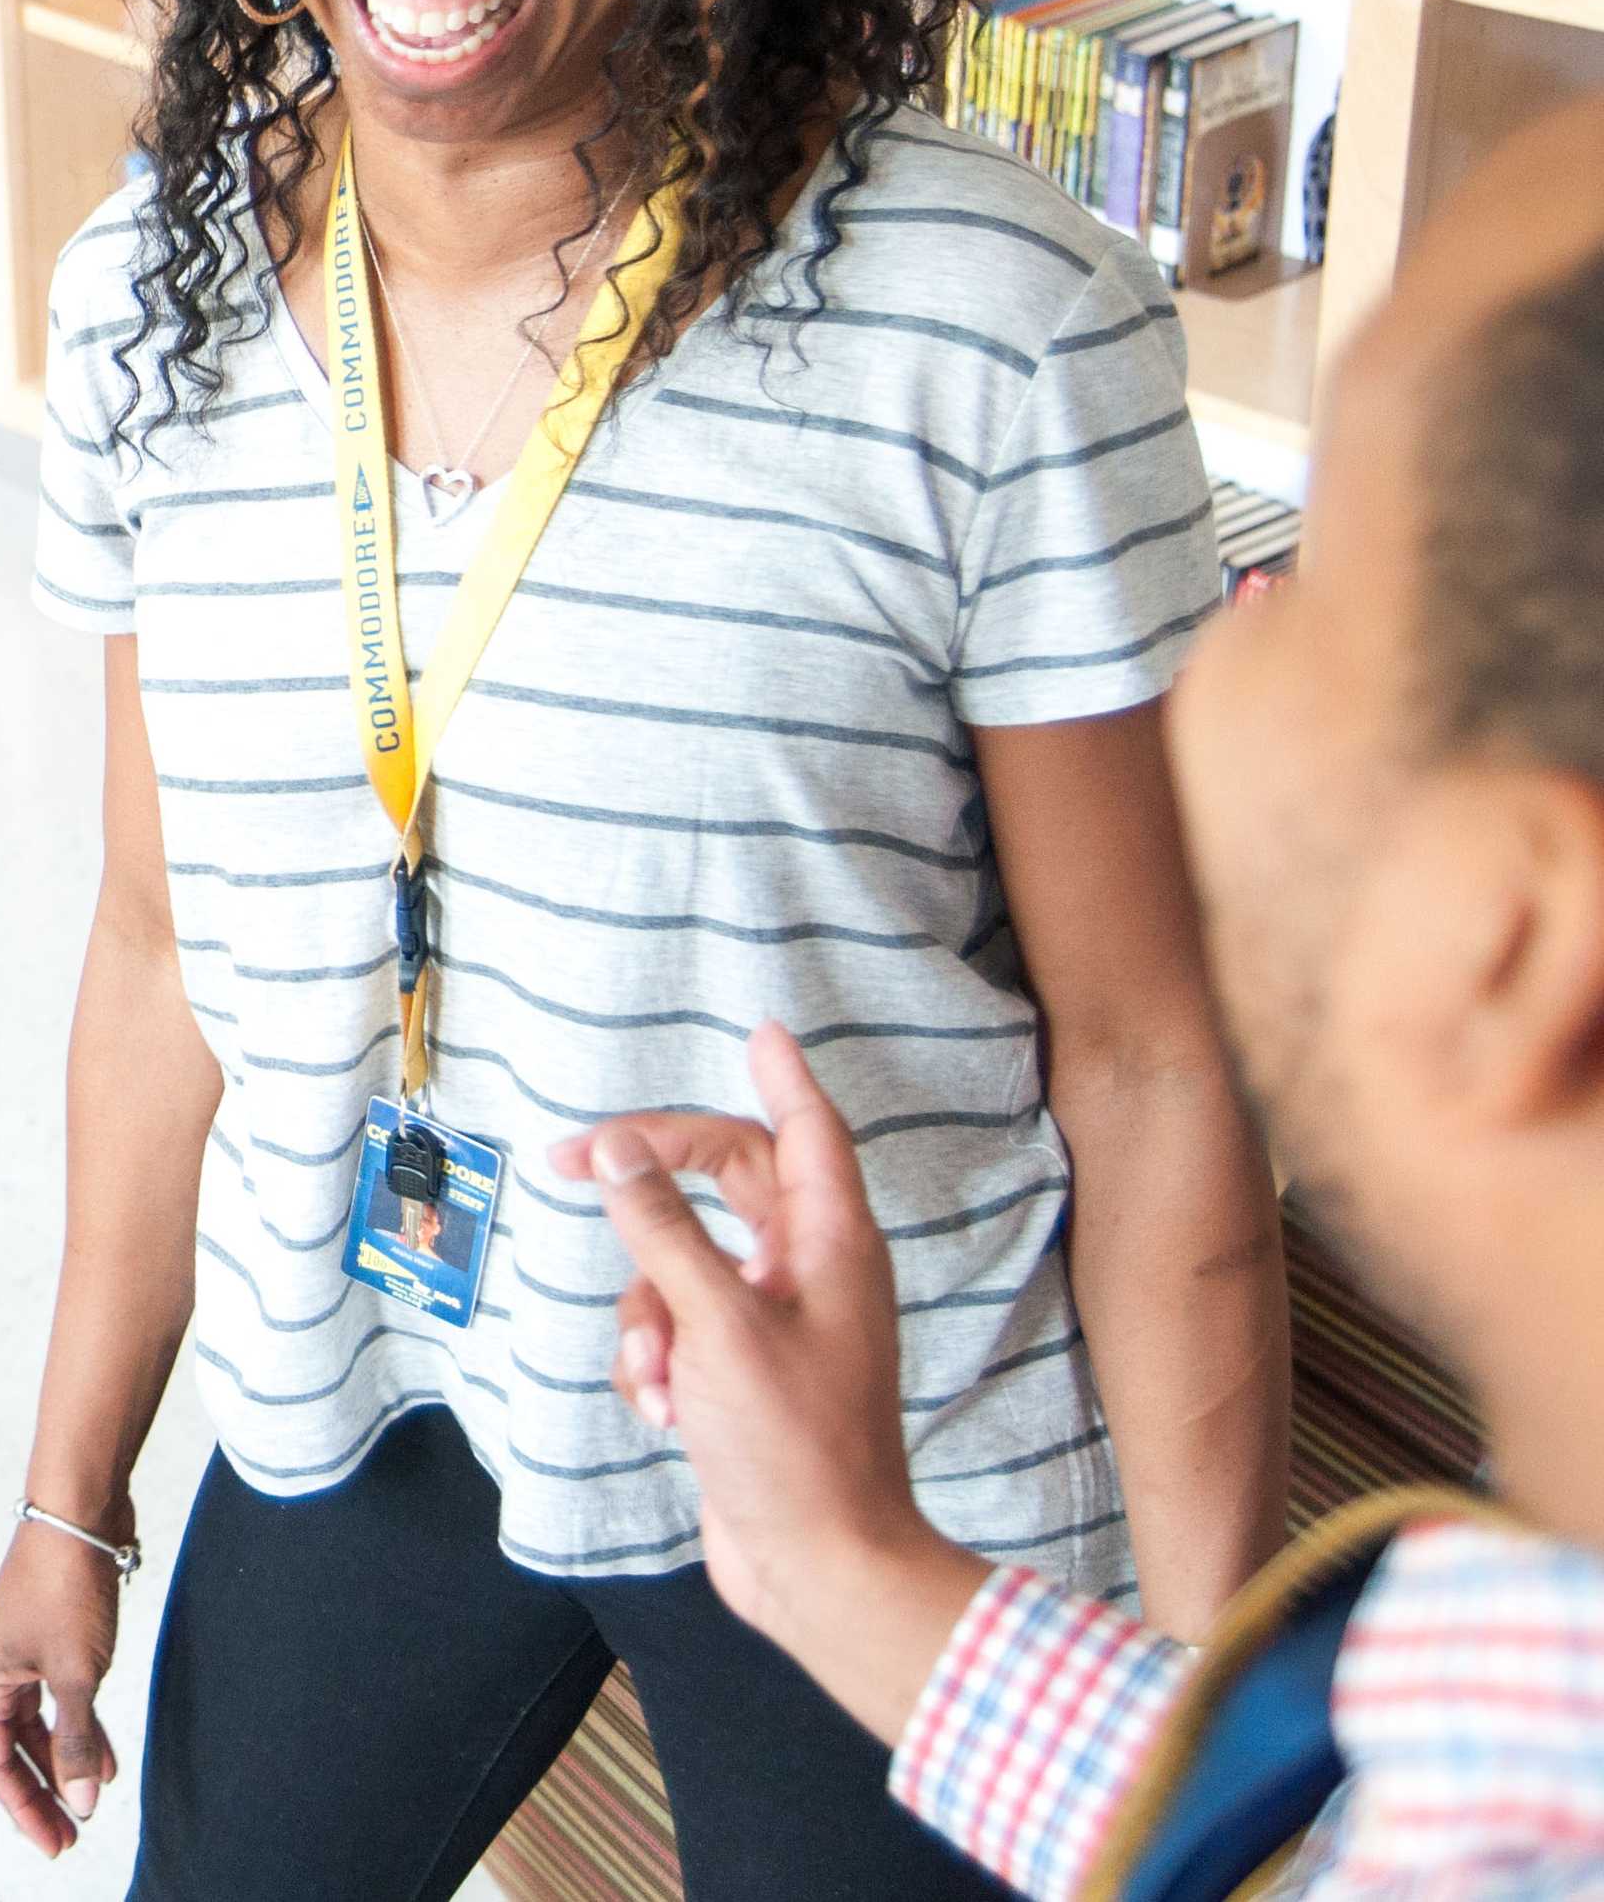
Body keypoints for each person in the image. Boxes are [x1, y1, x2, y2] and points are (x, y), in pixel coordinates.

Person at [0, 0, 1290, 1893]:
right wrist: (69, 1505)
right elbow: (158, 958)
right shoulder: (155, 297)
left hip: (867, 1449)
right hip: (388, 1373)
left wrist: (1202, 1732)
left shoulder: (986, 323)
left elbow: (1140, 1064)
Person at [569, 104, 1604, 1898]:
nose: (1230, 619)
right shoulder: (1512, 1659)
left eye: (1315, 579)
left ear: (1507, 942)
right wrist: (846, 1558)